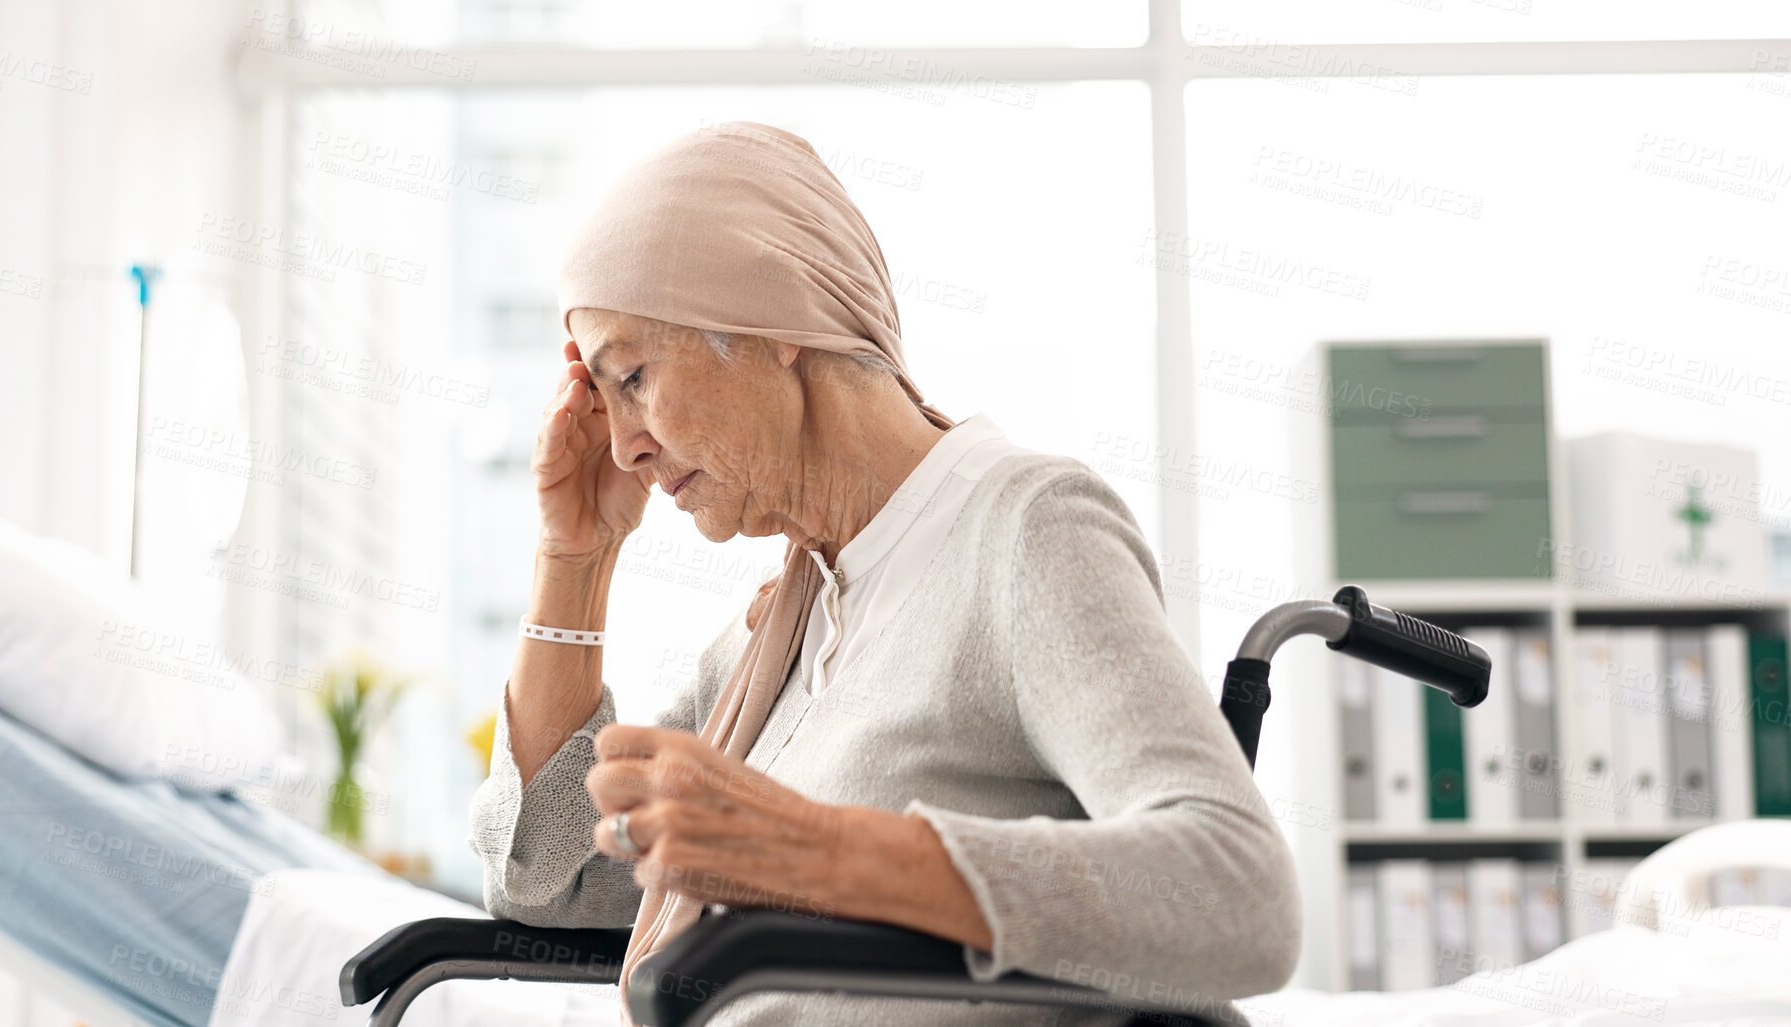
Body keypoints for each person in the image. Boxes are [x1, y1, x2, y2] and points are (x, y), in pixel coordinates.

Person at [467, 120, 1301, 1027]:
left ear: (773, 321)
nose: (622, 444)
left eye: (631, 375)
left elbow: (1236, 894)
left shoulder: (1024, 529)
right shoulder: (788, 625)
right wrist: (575, 559)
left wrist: (817, 854)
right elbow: (547, 877)